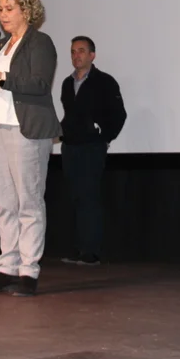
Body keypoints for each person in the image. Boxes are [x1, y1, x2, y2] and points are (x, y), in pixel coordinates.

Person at [0, 0, 61, 297]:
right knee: (4, 202)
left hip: (26, 128)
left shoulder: (40, 42)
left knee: (28, 201)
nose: (3, 14)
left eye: (9, 8)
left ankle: (28, 271)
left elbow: (39, 83)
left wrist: (2, 77)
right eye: (0, 9)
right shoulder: (0, 46)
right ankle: (7, 267)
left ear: (26, 9)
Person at [58, 36, 126, 266]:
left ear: (92, 55)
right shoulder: (67, 83)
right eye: (73, 52)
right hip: (70, 147)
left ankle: (91, 252)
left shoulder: (105, 82)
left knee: (89, 197)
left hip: (91, 148)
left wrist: (103, 137)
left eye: (81, 51)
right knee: (75, 197)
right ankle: (78, 249)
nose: (76, 55)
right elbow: (69, 115)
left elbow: (119, 114)